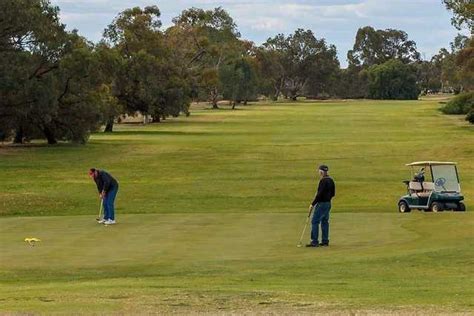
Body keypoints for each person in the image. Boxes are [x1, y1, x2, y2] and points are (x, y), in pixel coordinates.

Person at [306, 165, 335, 247]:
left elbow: (319, 195)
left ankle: (314, 241)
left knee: (315, 221)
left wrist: (312, 204)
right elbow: (333, 193)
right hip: (328, 203)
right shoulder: (331, 180)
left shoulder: (323, 181)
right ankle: (325, 241)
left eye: (319, 171)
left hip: (321, 204)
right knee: (325, 221)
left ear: (321, 172)